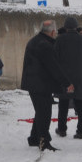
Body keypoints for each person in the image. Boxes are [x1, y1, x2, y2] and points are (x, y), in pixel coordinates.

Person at [21, 20, 74, 151]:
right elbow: (54, 67)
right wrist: (67, 82)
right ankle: (44, 142)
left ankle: (34, 138)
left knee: (40, 111)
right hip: (41, 84)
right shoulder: (45, 45)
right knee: (44, 114)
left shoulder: (35, 41)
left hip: (34, 83)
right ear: (52, 31)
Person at [54, 17, 82, 139]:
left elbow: (55, 59)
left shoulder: (59, 40)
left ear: (65, 27)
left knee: (63, 104)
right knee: (81, 105)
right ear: (76, 27)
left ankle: (62, 129)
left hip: (65, 78)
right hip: (81, 77)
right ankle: (81, 131)